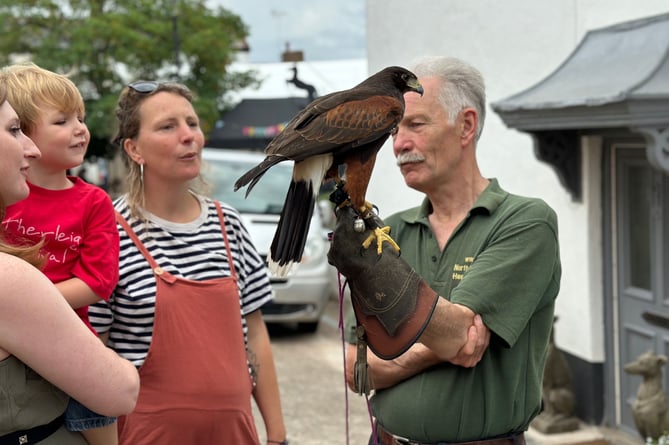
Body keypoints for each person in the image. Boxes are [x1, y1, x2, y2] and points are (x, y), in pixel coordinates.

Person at [329, 56, 561, 445]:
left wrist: (407, 346)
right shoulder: (389, 231)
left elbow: (457, 336)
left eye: (415, 125)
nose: (399, 144)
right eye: (393, 132)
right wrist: (437, 345)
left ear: (466, 126)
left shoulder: (525, 222)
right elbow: (355, 369)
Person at [88, 80, 287, 445]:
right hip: (145, 436)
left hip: (235, 435)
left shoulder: (229, 226)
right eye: (168, 126)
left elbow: (255, 335)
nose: (188, 136)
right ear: (134, 149)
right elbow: (94, 354)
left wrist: (277, 436)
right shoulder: (107, 233)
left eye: (192, 123)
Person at [0, 82, 139, 445]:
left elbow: (99, 281)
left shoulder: (93, 200)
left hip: (71, 346)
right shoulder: (9, 196)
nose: (80, 128)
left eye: (81, 118)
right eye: (61, 120)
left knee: (100, 430)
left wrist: (30, 312)